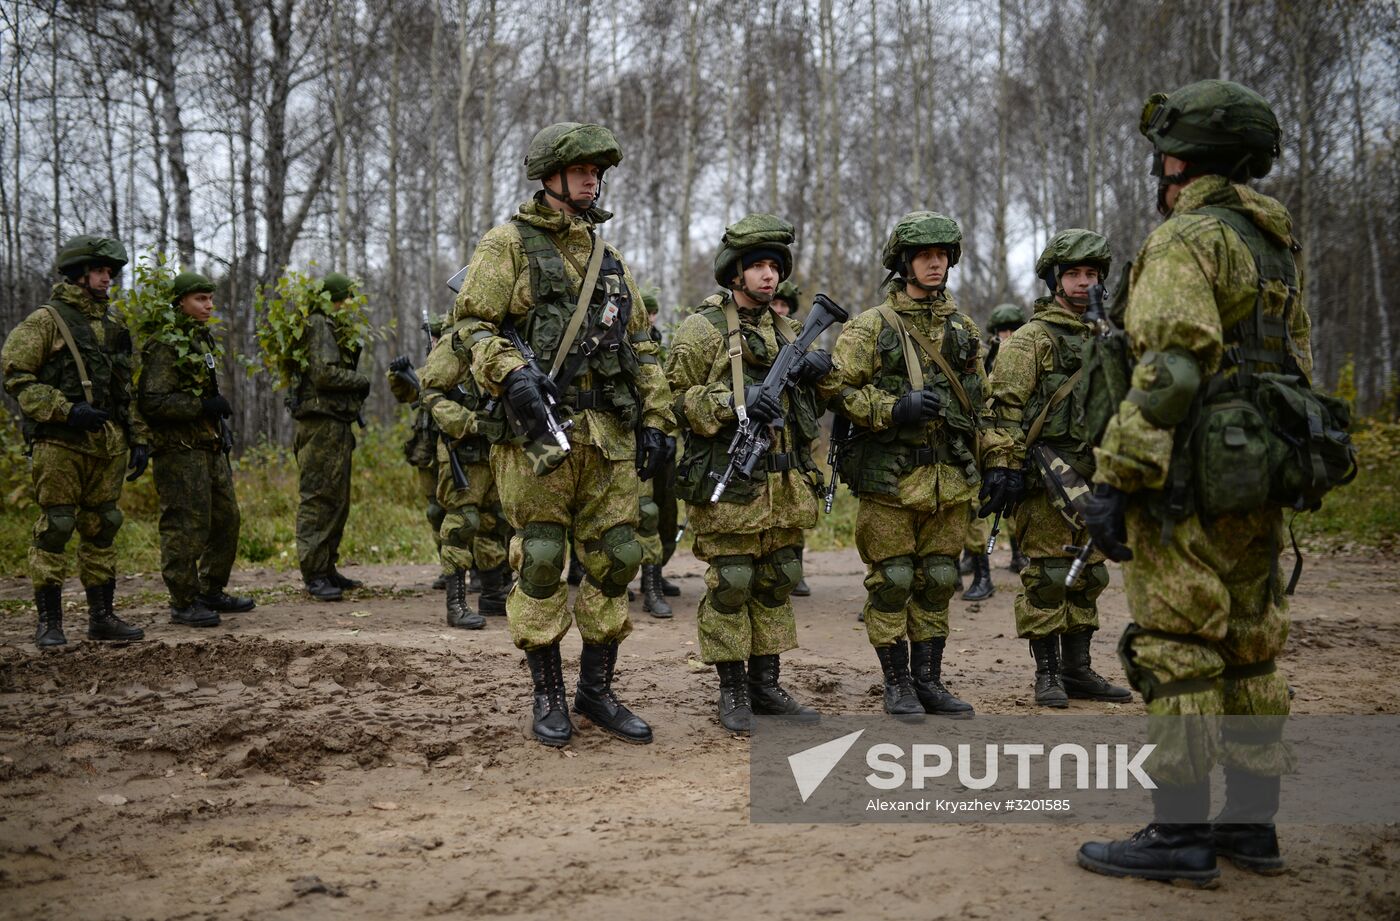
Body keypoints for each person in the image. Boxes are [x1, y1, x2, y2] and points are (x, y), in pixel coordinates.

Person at [1076, 80, 1311, 886]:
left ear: (1180, 157)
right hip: (1258, 478)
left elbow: (1170, 369)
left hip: (1185, 480)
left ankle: (1177, 833)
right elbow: (1297, 372)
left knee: (1178, 647)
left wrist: (1116, 477)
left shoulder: (1186, 240)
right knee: (1250, 649)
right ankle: (1251, 825)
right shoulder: (1271, 243)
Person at [454, 122, 676, 747]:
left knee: (616, 561)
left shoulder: (610, 259)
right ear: (549, 176)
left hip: (608, 436)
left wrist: (658, 418)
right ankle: (548, 694)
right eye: (580, 169)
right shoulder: (508, 245)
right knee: (545, 558)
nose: (591, 179)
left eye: (597, 171)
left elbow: (642, 347)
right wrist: (512, 374)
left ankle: (596, 691)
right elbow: (471, 325)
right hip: (538, 435)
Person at [666, 214, 832, 732]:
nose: (767, 276)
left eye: (774, 266)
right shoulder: (703, 329)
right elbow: (672, 400)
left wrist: (822, 370)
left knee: (776, 581)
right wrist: (737, 401)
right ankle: (732, 690)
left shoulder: (788, 328)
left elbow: (832, 390)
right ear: (734, 272)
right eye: (757, 265)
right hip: (732, 482)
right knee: (732, 583)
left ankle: (766, 686)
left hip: (784, 485)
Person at [830, 211, 980, 719]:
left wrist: (999, 462)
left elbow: (983, 403)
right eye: (924, 255)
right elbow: (838, 388)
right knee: (893, 580)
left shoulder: (962, 330)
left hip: (949, 479)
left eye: (941, 255)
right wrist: (892, 409)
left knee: (938, 578)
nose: (935, 263)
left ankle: (929, 681)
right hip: (892, 480)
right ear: (904, 263)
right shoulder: (871, 327)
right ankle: (896, 684)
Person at [980, 231, 1130, 707]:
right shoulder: (1030, 341)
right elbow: (1001, 409)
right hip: (1047, 476)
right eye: (1073, 274)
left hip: (1100, 474)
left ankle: (1078, 669)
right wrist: (1003, 467)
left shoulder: (1111, 339)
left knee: (1090, 575)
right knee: (1047, 577)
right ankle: (1047, 674)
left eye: (1091, 275)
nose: (1084, 283)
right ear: (1053, 280)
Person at [2, 235, 146, 646]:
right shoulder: (47, 320)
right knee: (56, 527)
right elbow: (16, 376)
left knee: (102, 526)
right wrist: (65, 410)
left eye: (111, 272)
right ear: (79, 274)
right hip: (60, 444)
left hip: (105, 445)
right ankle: (49, 623)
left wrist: (138, 437)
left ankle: (102, 617)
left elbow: (124, 389)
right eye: (101, 272)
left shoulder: (114, 324)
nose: (108, 279)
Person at [139, 271, 254, 628]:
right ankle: (183, 601)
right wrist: (201, 406)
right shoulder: (164, 344)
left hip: (208, 445)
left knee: (226, 518)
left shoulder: (199, 341)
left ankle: (210, 589)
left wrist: (217, 419)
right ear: (180, 303)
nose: (209, 305)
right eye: (200, 299)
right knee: (185, 525)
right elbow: (152, 402)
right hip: (178, 450)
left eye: (209, 298)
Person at [418, 313, 514, 631]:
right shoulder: (455, 343)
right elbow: (430, 391)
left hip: (494, 447)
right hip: (463, 449)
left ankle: (491, 593)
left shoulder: (502, 339)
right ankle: (456, 604)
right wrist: (468, 423)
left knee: (493, 521)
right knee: (463, 522)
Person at [291, 272, 371, 601]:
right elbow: (323, 373)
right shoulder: (319, 323)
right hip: (320, 425)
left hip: (335, 424)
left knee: (337, 500)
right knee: (319, 498)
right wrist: (359, 380)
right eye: (347, 298)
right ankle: (314, 574)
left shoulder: (331, 326)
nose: (350, 305)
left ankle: (327, 568)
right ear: (335, 299)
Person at [388, 316, 450, 591]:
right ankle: (448, 568)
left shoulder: (461, 369)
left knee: (474, 513)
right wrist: (397, 373)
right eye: (432, 339)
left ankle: (484, 572)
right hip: (428, 451)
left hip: (457, 450)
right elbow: (405, 394)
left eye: (439, 338)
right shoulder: (424, 373)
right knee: (436, 511)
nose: (435, 343)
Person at [768, 278, 812, 598]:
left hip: (795, 434)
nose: (780, 309)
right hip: (766, 431)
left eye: (785, 305)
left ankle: (795, 568)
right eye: (776, 304)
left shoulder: (797, 336)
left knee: (797, 504)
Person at [636, 291, 678, 618]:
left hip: (661, 438)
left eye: (652, 314)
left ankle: (657, 576)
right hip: (631, 439)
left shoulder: (659, 347)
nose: (649, 319)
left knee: (665, 513)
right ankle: (649, 589)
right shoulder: (621, 343)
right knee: (646, 513)